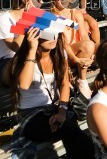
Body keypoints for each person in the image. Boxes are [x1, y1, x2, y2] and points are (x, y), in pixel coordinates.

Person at [9, 28, 94, 159]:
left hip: (54, 110)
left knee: (77, 137)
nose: (53, 38)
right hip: (31, 115)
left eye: (55, 33)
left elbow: (65, 84)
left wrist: (62, 111)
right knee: (75, 134)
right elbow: (24, 85)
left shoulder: (58, 54)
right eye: (47, 34)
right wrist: (32, 50)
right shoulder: (23, 57)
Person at [50, 0, 95, 98]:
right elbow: (63, 43)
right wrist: (76, 59)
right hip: (61, 53)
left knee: (90, 44)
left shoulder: (75, 13)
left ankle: (82, 81)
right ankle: (73, 83)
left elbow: (84, 35)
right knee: (67, 49)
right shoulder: (52, 16)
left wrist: (91, 52)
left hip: (75, 50)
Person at [0, 0, 38, 85]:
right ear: (25, 1)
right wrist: (25, 22)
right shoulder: (3, 19)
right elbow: (15, 47)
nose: (41, 2)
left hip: (28, 56)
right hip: (6, 62)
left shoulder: (36, 17)